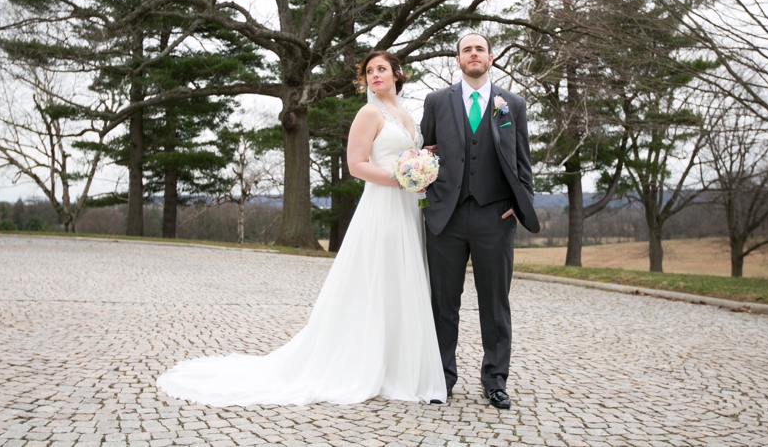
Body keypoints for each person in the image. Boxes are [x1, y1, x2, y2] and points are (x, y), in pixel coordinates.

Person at [156, 50, 447, 406]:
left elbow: (408, 154)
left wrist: (421, 164)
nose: (374, 76)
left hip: (406, 209)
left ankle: (399, 366)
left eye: (381, 69)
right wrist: (398, 179)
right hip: (383, 206)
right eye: (369, 71)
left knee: (402, 281)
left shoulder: (405, 115)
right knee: (378, 281)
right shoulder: (369, 113)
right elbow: (355, 166)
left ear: (397, 74)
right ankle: (367, 364)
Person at [420, 33, 540, 410]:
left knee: (494, 303)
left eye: (479, 49)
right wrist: (427, 188)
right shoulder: (437, 101)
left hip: (495, 215)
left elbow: (523, 162)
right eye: (466, 50)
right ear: (457, 60)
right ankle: (442, 377)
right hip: (447, 217)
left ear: (492, 58)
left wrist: (521, 206)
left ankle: (495, 380)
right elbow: (426, 154)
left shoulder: (512, 104)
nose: (473, 54)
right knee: (443, 302)